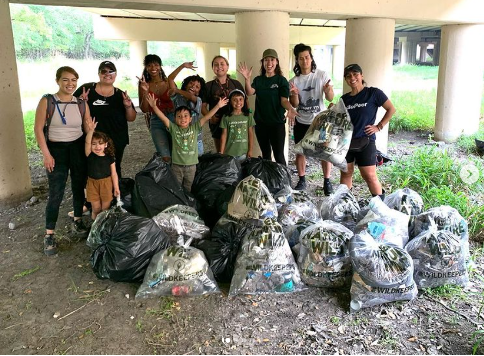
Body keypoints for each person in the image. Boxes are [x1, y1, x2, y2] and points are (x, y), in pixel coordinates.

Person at [34, 66, 91, 256]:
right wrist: (46, 154)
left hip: (76, 148)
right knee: (56, 191)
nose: (70, 84)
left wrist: (91, 132)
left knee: (78, 186)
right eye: (66, 80)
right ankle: (49, 234)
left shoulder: (81, 103)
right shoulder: (47, 101)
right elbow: (38, 129)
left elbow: (87, 127)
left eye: (74, 80)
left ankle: (77, 219)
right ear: (57, 80)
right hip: (56, 150)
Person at [146, 93, 228, 192]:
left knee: (188, 188)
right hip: (176, 166)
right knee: (177, 188)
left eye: (185, 116)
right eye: (179, 116)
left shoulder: (195, 128)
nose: (183, 118)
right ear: (175, 119)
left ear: (190, 119)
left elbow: (207, 117)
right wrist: (154, 107)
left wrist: (218, 106)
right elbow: (163, 118)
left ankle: (186, 205)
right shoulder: (174, 129)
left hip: (191, 166)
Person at [340, 64, 396, 200]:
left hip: (366, 140)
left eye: (355, 74)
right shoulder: (344, 99)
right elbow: (339, 120)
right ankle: (345, 204)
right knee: (346, 173)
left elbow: (391, 109)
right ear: (346, 79)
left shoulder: (373, 93)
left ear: (361, 75)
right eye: (348, 76)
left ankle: (380, 206)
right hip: (346, 142)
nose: (352, 78)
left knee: (369, 175)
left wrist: (379, 126)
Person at [74, 61, 136, 178]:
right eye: (104, 71)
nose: (107, 74)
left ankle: (115, 194)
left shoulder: (120, 94)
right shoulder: (87, 89)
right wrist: (81, 102)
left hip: (116, 140)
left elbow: (131, 118)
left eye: (111, 71)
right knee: (92, 168)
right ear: (99, 74)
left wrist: (128, 106)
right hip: (92, 139)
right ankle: (92, 194)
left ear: (115, 75)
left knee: (114, 168)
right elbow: (71, 111)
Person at [238, 49, 298, 166]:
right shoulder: (259, 80)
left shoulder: (281, 80)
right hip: (261, 123)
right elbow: (249, 92)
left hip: (277, 123)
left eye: (272, 60)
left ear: (276, 62)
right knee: (266, 154)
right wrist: (247, 79)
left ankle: (284, 182)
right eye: (266, 60)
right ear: (263, 62)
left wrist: (290, 108)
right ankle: (269, 180)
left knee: (279, 155)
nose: (269, 63)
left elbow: (284, 100)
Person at [289, 43, 334, 193]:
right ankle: (302, 180)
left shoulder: (322, 75)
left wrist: (328, 91)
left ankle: (327, 181)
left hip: (321, 121)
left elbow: (330, 97)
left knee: (324, 152)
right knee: (300, 151)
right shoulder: (293, 81)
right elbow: (294, 104)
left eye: (307, 57)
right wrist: (294, 94)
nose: (304, 61)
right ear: (297, 60)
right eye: (301, 58)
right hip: (301, 121)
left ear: (311, 58)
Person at [203, 55, 245, 153]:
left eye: (222, 64)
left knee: (236, 149)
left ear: (227, 66)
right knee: (220, 152)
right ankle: (224, 167)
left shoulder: (236, 84)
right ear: (213, 68)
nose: (219, 66)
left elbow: (245, 102)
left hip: (235, 122)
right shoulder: (208, 86)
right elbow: (203, 106)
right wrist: (210, 117)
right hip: (217, 122)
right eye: (216, 64)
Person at [137, 55, 174, 162]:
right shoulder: (143, 84)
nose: (153, 68)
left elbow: (178, 101)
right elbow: (144, 109)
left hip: (172, 119)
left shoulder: (168, 82)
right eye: (149, 65)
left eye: (156, 64)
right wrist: (145, 91)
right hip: (156, 121)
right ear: (146, 67)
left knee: (177, 153)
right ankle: (168, 177)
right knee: (165, 156)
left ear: (160, 66)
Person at [84, 118, 120, 220]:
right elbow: (87, 142)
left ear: (106, 144)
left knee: (105, 208)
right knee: (96, 208)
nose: (97, 147)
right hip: (92, 183)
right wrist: (91, 130)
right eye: (94, 144)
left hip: (106, 183)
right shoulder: (90, 155)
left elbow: (114, 173)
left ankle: (103, 228)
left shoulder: (110, 157)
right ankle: (94, 227)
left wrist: (116, 187)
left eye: (100, 143)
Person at [168, 61, 205, 155]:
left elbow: (191, 97)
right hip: (180, 140)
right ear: (185, 85)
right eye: (191, 83)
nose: (193, 86)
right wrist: (183, 66)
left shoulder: (198, 100)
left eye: (197, 86)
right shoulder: (177, 97)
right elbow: (170, 79)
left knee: (197, 166)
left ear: (199, 92)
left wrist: (176, 90)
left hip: (196, 141)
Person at [219, 89, 256, 163]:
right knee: (231, 173)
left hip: (243, 153)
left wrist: (250, 150)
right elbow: (224, 135)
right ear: (230, 101)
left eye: (240, 99)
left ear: (244, 101)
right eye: (235, 100)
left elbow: (251, 134)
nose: (238, 102)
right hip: (229, 153)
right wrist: (221, 152)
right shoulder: (226, 117)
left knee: (243, 172)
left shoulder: (248, 116)